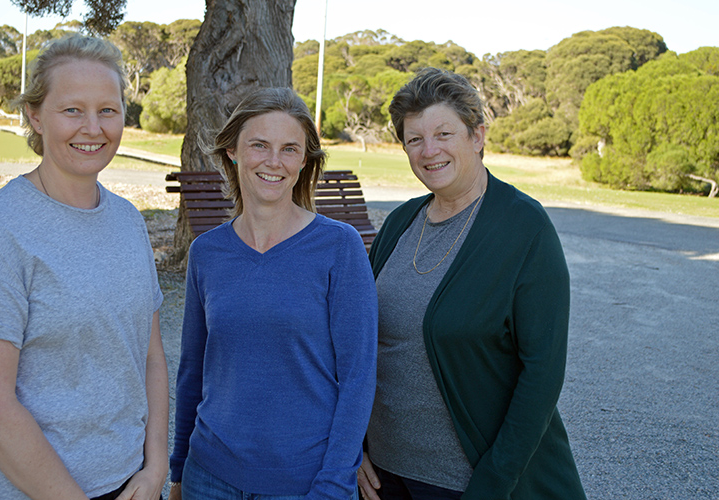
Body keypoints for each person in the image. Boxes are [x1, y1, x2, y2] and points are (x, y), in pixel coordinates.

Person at [0, 35, 168, 500]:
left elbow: (150, 358)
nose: (93, 128)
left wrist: (156, 465)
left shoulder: (127, 220)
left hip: (126, 482)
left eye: (108, 109)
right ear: (35, 116)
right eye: (72, 110)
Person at [357, 68, 586, 500]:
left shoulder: (524, 228)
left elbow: (542, 373)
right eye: (414, 139)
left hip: (467, 485)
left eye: (444, 133)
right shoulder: (401, 223)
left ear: (477, 136)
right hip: (385, 478)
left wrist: (494, 483)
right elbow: (360, 343)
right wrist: (355, 445)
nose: (429, 151)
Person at [168, 87, 378, 500]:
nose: (273, 161)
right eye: (259, 145)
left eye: (289, 149)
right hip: (207, 478)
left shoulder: (340, 247)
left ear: (304, 161)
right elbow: (192, 371)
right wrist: (178, 471)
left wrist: (335, 484)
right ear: (232, 151)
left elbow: (358, 379)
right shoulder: (207, 252)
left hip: (306, 483)